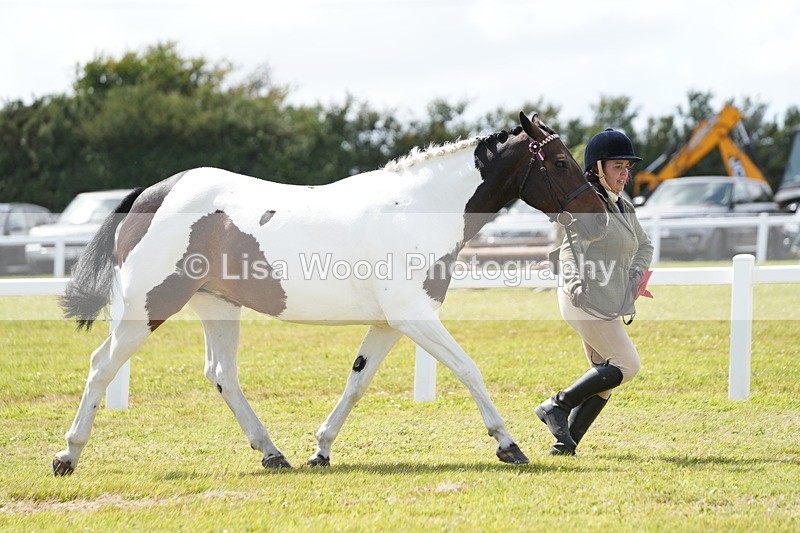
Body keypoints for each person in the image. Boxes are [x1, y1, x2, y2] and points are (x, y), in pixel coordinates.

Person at [534, 128, 654, 455]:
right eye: (618, 166)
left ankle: (565, 444)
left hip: (606, 299)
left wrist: (635, 273)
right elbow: (570, 249)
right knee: (627, 365)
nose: (625, 174)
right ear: (598, 168)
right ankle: (556, 405)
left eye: (627, 168)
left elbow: (644, 244)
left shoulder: (623, 206)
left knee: (605, 376)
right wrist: (573, 282)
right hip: (583, 297)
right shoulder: (589, 205)